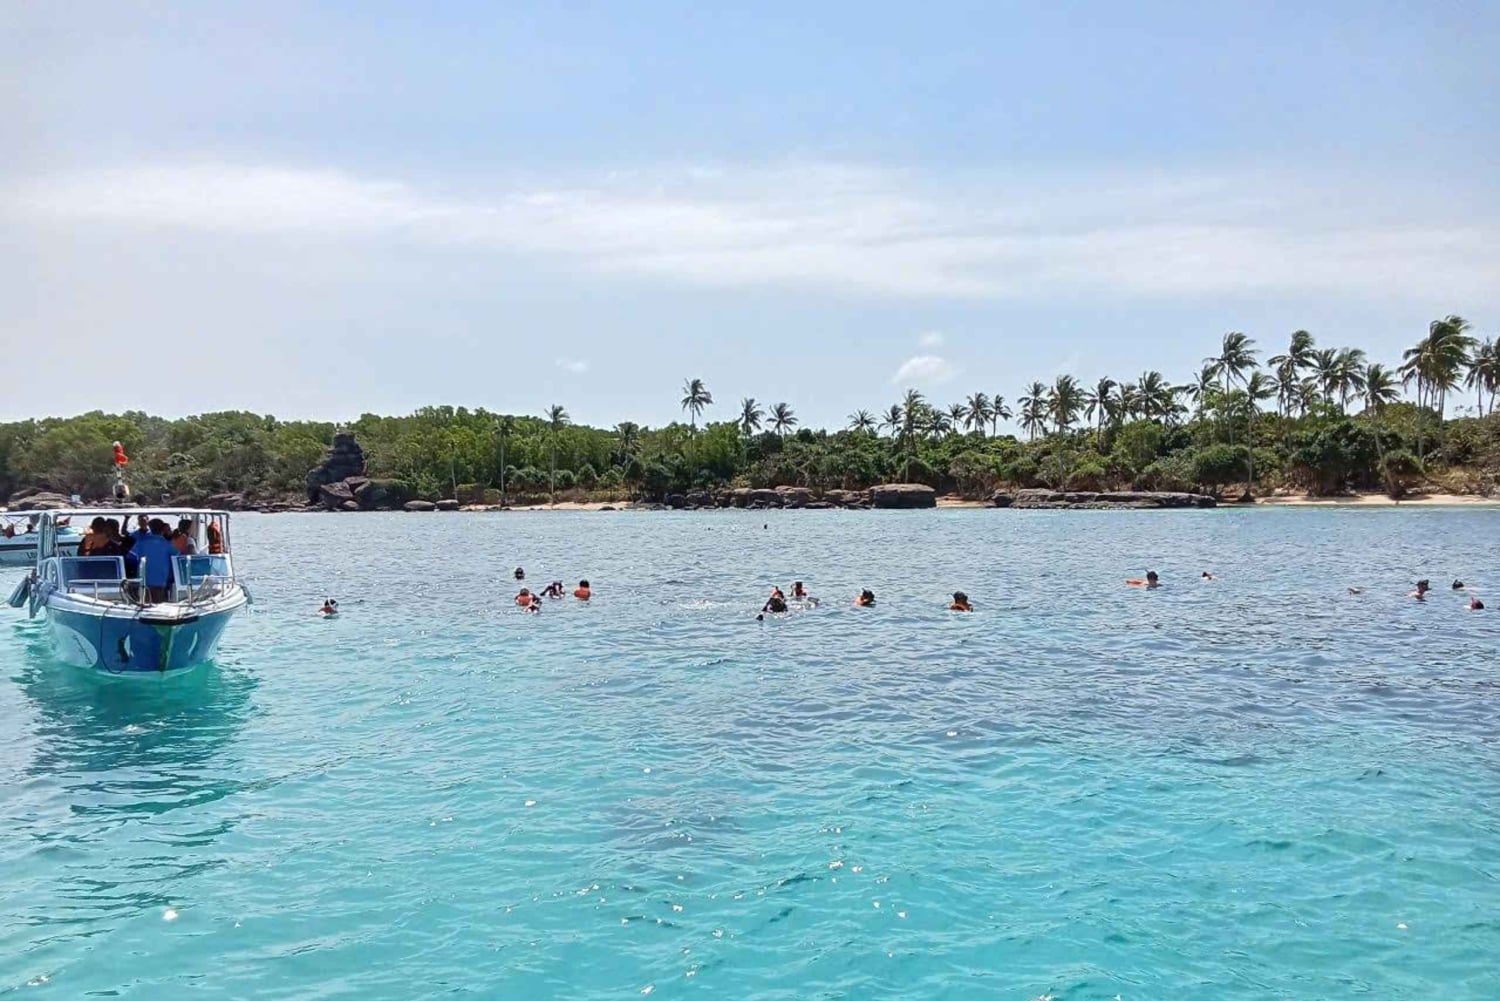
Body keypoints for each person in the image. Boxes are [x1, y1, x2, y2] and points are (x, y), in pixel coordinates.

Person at [131, 518, 178, 603]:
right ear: (163, 529)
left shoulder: (141, 543)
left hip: (144, 579)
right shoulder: (168, 545)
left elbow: (131, 555)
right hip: (162, 580)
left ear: (150, 528)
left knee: (145, 606)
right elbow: (178, 556)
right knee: (160, 606)